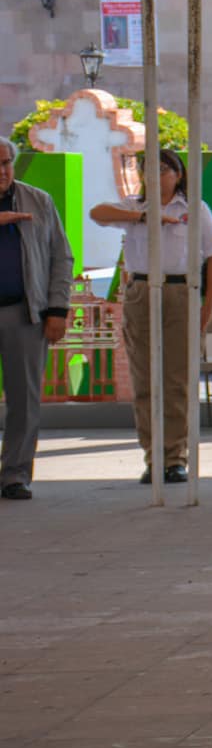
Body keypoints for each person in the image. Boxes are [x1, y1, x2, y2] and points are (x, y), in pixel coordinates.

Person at [90, 149, 212, 484]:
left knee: (176, 380)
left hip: (180, 291)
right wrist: (145, 218)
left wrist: (207, 309)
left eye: (164, 169)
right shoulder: (134, 207)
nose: (156, 175)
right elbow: (97, 213)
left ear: (178, 174)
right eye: (148, 168)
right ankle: (153, 457)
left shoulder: (195, 209)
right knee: (145, 379)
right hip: (141, 292)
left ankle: (175, 457)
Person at [0, 140, 73, 501]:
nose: (1, 171)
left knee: (24, 399)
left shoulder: (38, 201)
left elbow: (61, 257)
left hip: (23, 313)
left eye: (6, 163)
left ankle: (15, 474)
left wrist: (57, 310)